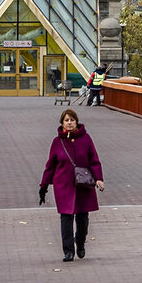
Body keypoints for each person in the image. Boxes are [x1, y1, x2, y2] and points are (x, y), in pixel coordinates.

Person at [39, 109, 105, 261]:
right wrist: (43, 186)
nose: (69, 123)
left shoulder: (86, 139)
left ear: (76, 122)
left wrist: (99, 178)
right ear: (62, 123)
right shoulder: (57, 142)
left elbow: (94, 160)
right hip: (63, 185)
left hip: (83, 185)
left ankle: (80, 243)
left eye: (72, 120)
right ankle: (68, 251)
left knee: (82, 219)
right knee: (66, 217)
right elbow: (50, 165)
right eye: (66, 120)